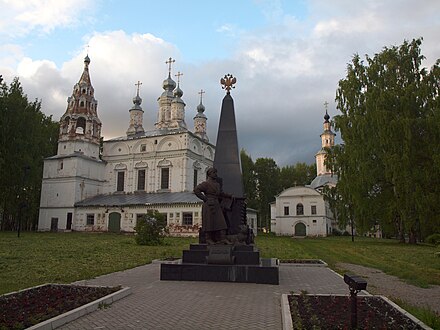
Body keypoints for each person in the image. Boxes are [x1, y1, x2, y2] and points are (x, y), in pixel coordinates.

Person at [194, 167, 230, 244]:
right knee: (208, 222)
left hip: (216, 204)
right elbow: (196, 190)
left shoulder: (217, 184)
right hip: (208, 205)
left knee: (221, 222)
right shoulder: (206, 184)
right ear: (209, 174)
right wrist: (205, 198)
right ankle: (208, 239)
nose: (216, 174)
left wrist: (229, 195)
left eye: (216, 172)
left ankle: (223, 238)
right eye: (214, 173)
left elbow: (220, 193)